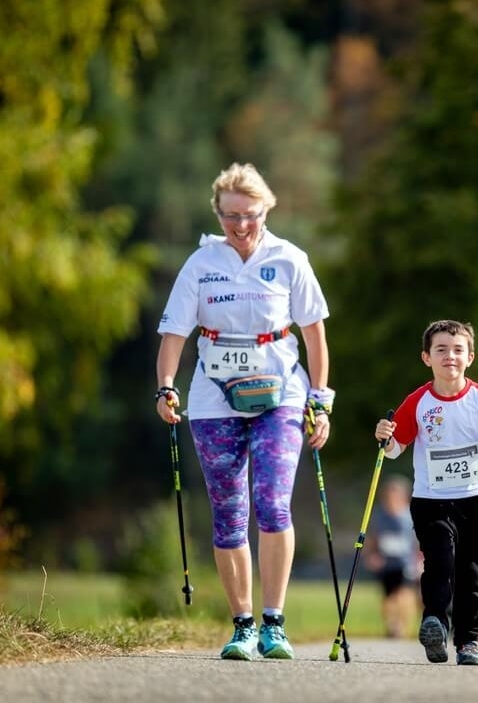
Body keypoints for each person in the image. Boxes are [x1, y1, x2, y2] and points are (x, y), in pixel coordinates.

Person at [154, 162, 334, 662]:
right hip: (214, 398)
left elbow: (315, 336)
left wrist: (321, 400)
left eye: (250, 215)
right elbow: (173, 335)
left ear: (265, 211)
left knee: (273, 505)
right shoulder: (202, 263)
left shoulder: (290, 259)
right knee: (229, 515)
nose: (240, 225)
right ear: (218, 212)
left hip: (281, 395)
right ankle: (243, 625)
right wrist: (165, 387)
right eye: (231, 215)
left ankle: (274, 623)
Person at [373, 319, 478, 667]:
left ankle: (468, 641)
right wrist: (384, 435)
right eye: (441, 350)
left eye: (458, 350)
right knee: (440, 559)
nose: (450, 357)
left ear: (470, 357)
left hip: (474, 497)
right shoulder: (418, 401)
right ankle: (435, 623)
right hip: (431, 499)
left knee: (472, 570)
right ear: (426, 357)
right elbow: (395, 446)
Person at [365, 474, 422, 638]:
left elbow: (418, 541)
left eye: (396, 497)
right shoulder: (380, 516)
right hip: (386, 564)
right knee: (388, 597)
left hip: (406, 564)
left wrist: (420, 560)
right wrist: (372, 555)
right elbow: (373, 538)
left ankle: (402, 626)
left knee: (404, 594)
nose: (392, 501)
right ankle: (392, 626)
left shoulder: (410, 517)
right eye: (389, 497)